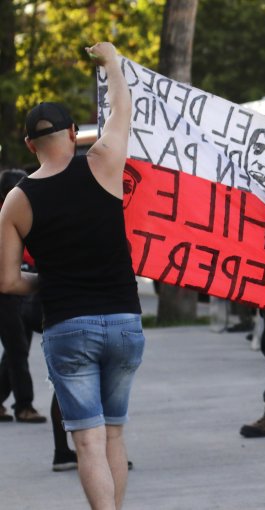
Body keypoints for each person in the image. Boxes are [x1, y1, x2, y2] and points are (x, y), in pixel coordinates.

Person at [0, 43, 144, 510]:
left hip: (67, 326)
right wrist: (113, 63)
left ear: (29, 146)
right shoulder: (103, 163)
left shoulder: (16, 202)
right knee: (115, 435)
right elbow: (123, 110)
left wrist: (50, 281)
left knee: (87, 441)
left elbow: (7, 282)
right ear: (74, 133)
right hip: (124, 320)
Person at [0, 169, 46, 424]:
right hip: (5, 293)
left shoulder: (23, 212)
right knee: (17, 349)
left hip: (21, 290)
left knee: (16, 349)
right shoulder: (7, 215)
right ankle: (24, 405)